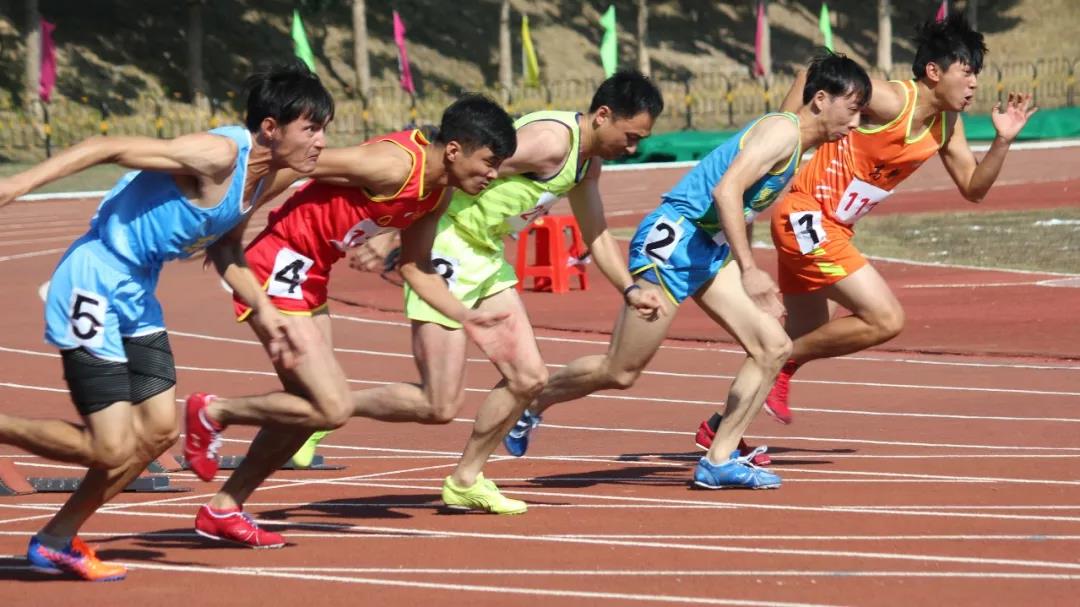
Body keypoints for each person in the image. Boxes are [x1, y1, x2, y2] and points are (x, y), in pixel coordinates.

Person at [0, 61, 333, 580]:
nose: (321, 141)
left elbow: (225, 247)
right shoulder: (217, 155)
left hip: (137, 293)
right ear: (271, 127)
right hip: (93, 281)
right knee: (109, 446)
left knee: (156, 435)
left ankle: (55, 540)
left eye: (323, 129)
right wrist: (17, 183)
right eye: (311, 128)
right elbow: (105, 147)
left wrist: (268, 314)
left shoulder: (262, 179)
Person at [501, 53, 871, 489]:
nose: (856, 123)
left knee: (773, 347)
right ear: (821, 100)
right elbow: (726, 190)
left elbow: (743, 204)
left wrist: (737, 258)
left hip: (707, 249)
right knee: (621, 371)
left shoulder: (795, 142)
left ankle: (719, 459)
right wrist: (749, 270)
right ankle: (533, 401)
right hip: (674, 241)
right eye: (852, 109)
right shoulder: (782, 132)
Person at [183, 94, 519, 547]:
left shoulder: (437, 192)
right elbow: (296, 163)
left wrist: (465, 316)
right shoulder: (392, 165)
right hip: (277, 265)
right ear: (455, 150)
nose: (494, 174)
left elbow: (416, 266)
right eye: (490, 163)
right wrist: (232, 229)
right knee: (331, 406)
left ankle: (223, 508)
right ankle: (213, 411)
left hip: (311, 277)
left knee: (308, 410)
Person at [343, 70, 666, 515]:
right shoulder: (548, 143)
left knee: (529, 378)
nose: (631, 149)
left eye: (639, 142)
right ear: (603, 115)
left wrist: (629, 288)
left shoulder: (587, 164)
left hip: (486, 254)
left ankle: (465, 480)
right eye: (630, 137)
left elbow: (596, 232)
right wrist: (395, 232)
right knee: (438, 403)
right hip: (445, 244)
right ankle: (328, 409)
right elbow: (455, 166)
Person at [698, 14, 1036, 434]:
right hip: (807, 216)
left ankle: (720, 429)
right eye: (966, 73)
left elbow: (973, 188)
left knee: (800, 335)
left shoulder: (947, 125)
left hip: (833, 228)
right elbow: (813, 72)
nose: (974, 84)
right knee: (885, 319)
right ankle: (783, 361)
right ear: (934, 72)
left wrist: (1003, 140)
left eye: (976, 76)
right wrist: (784, 138)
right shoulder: (893, 100)